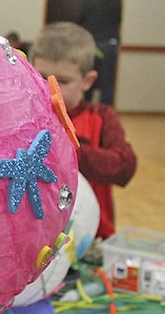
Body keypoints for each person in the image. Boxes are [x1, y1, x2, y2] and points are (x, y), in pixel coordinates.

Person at [28, 21, 137, 243]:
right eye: (41, 76)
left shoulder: (102, 116)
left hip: (92, 238)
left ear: (87, 81)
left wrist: (65, 151)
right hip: (37, 241)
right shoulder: (23, 117)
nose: (50, 89)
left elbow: (125, 166)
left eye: (63, 81)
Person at [76, 0, 122, 106]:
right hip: (109, 44)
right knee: (108, 81)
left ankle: (86, 107)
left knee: (89, 77)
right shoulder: (116, 1)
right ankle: (105, 110)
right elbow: (118, 21)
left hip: (92, 45)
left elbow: (81, 21)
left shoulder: (89, 1)